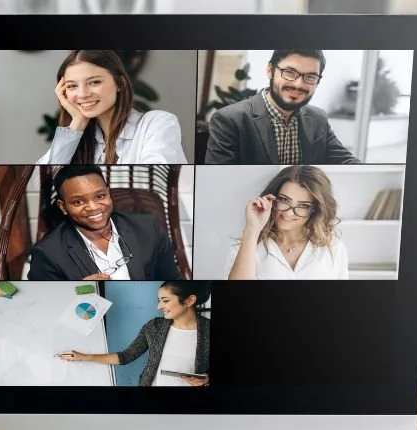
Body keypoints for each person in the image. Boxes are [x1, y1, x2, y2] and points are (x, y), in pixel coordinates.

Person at [202, 49, 362, 165]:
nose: (298, 84)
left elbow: (345, 161)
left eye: (310, 77)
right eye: (290, 72)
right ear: (270, 71)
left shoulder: (318, 118)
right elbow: (219, 180)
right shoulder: (229, 120)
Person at [26, 164, 181, 281]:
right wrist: (76, 293)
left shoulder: (148, 228)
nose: (93, 208)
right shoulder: (47, 253)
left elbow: (172, 282)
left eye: (99, 196)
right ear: (63, 207)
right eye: (78, 202)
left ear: (108, 193)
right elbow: (45, 306)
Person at [36, 50, 185, 165]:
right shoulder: (81, 137)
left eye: (94, 82)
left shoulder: (158, 124)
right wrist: (77, 125)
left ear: (120, 83)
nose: (82, 94)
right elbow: (43, 182)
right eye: (72, 86)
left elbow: (157, 183)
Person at [57, 281, 210, 387]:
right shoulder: (154, 327)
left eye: (165, 300)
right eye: (159, 300)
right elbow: (126, 356)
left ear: (189, 300)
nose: (159, 306)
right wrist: (84, 357)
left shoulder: (209, 330)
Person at [227, 165, 350, 280]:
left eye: (303, 205)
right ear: (272, 198)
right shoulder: (246, 244)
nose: (289, 213)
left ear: (316, 210)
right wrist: (253, 229)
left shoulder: (333, 248)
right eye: (284, 200)